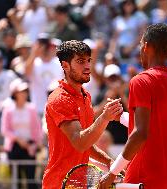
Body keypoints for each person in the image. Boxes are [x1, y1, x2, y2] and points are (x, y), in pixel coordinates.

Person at [98, 23, 167, 189]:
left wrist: (112, 173)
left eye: (140, 44)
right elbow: (158, 127)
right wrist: (121, 117)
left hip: (143, 180)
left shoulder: (141, 81)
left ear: (146, 46)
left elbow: (141, 133)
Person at [42, 40, 123, 189]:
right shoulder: (60, 98)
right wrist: (104, 117)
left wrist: (108, 161)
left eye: (88, 60)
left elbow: (87, 143)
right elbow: (80, 143)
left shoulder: (86, 95)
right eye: (80, 61)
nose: (87, 66)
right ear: (65, 65)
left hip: (79, 184)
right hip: (58, 184)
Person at [1, 78, 43, 189]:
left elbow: (38, 128)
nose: (24, 93)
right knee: (16, 180)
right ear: (15, 93)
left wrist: (36, 144)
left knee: (31, 180)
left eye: (25, 91)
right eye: (21, 91)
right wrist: (19, 140)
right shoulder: (8, 110)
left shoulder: (32, 108)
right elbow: (4, 129)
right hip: (14, 147)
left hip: (30, 147)